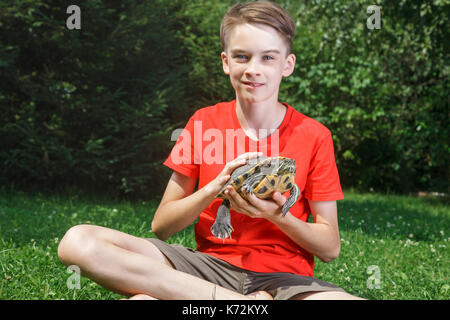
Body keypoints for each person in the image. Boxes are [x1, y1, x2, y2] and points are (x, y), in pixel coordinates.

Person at [58, 1, 363, 300]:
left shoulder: (314, 134)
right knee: (78, 242)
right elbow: (161, 226)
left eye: (267, 58)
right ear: (225, 61)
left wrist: (276, 215)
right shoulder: (204, 122)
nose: (253, 70)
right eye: (242, 56)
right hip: (205, 271)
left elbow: (329, 248)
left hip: (286, 279)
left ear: (287, 65)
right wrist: (214, 188)